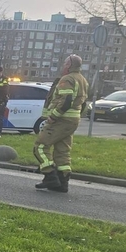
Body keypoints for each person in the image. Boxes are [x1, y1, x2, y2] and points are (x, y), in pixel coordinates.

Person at [33, 54, 88, 193]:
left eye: (65, 63)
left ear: (69, 65)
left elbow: (66, 100)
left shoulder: (67, 79)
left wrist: (53, 117)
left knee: (40, 146)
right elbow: (84, 102)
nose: (63, 66)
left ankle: (50, 176)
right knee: (62, 151)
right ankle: (63, 182)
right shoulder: (83, 80)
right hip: (72, 120)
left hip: (61, 120)